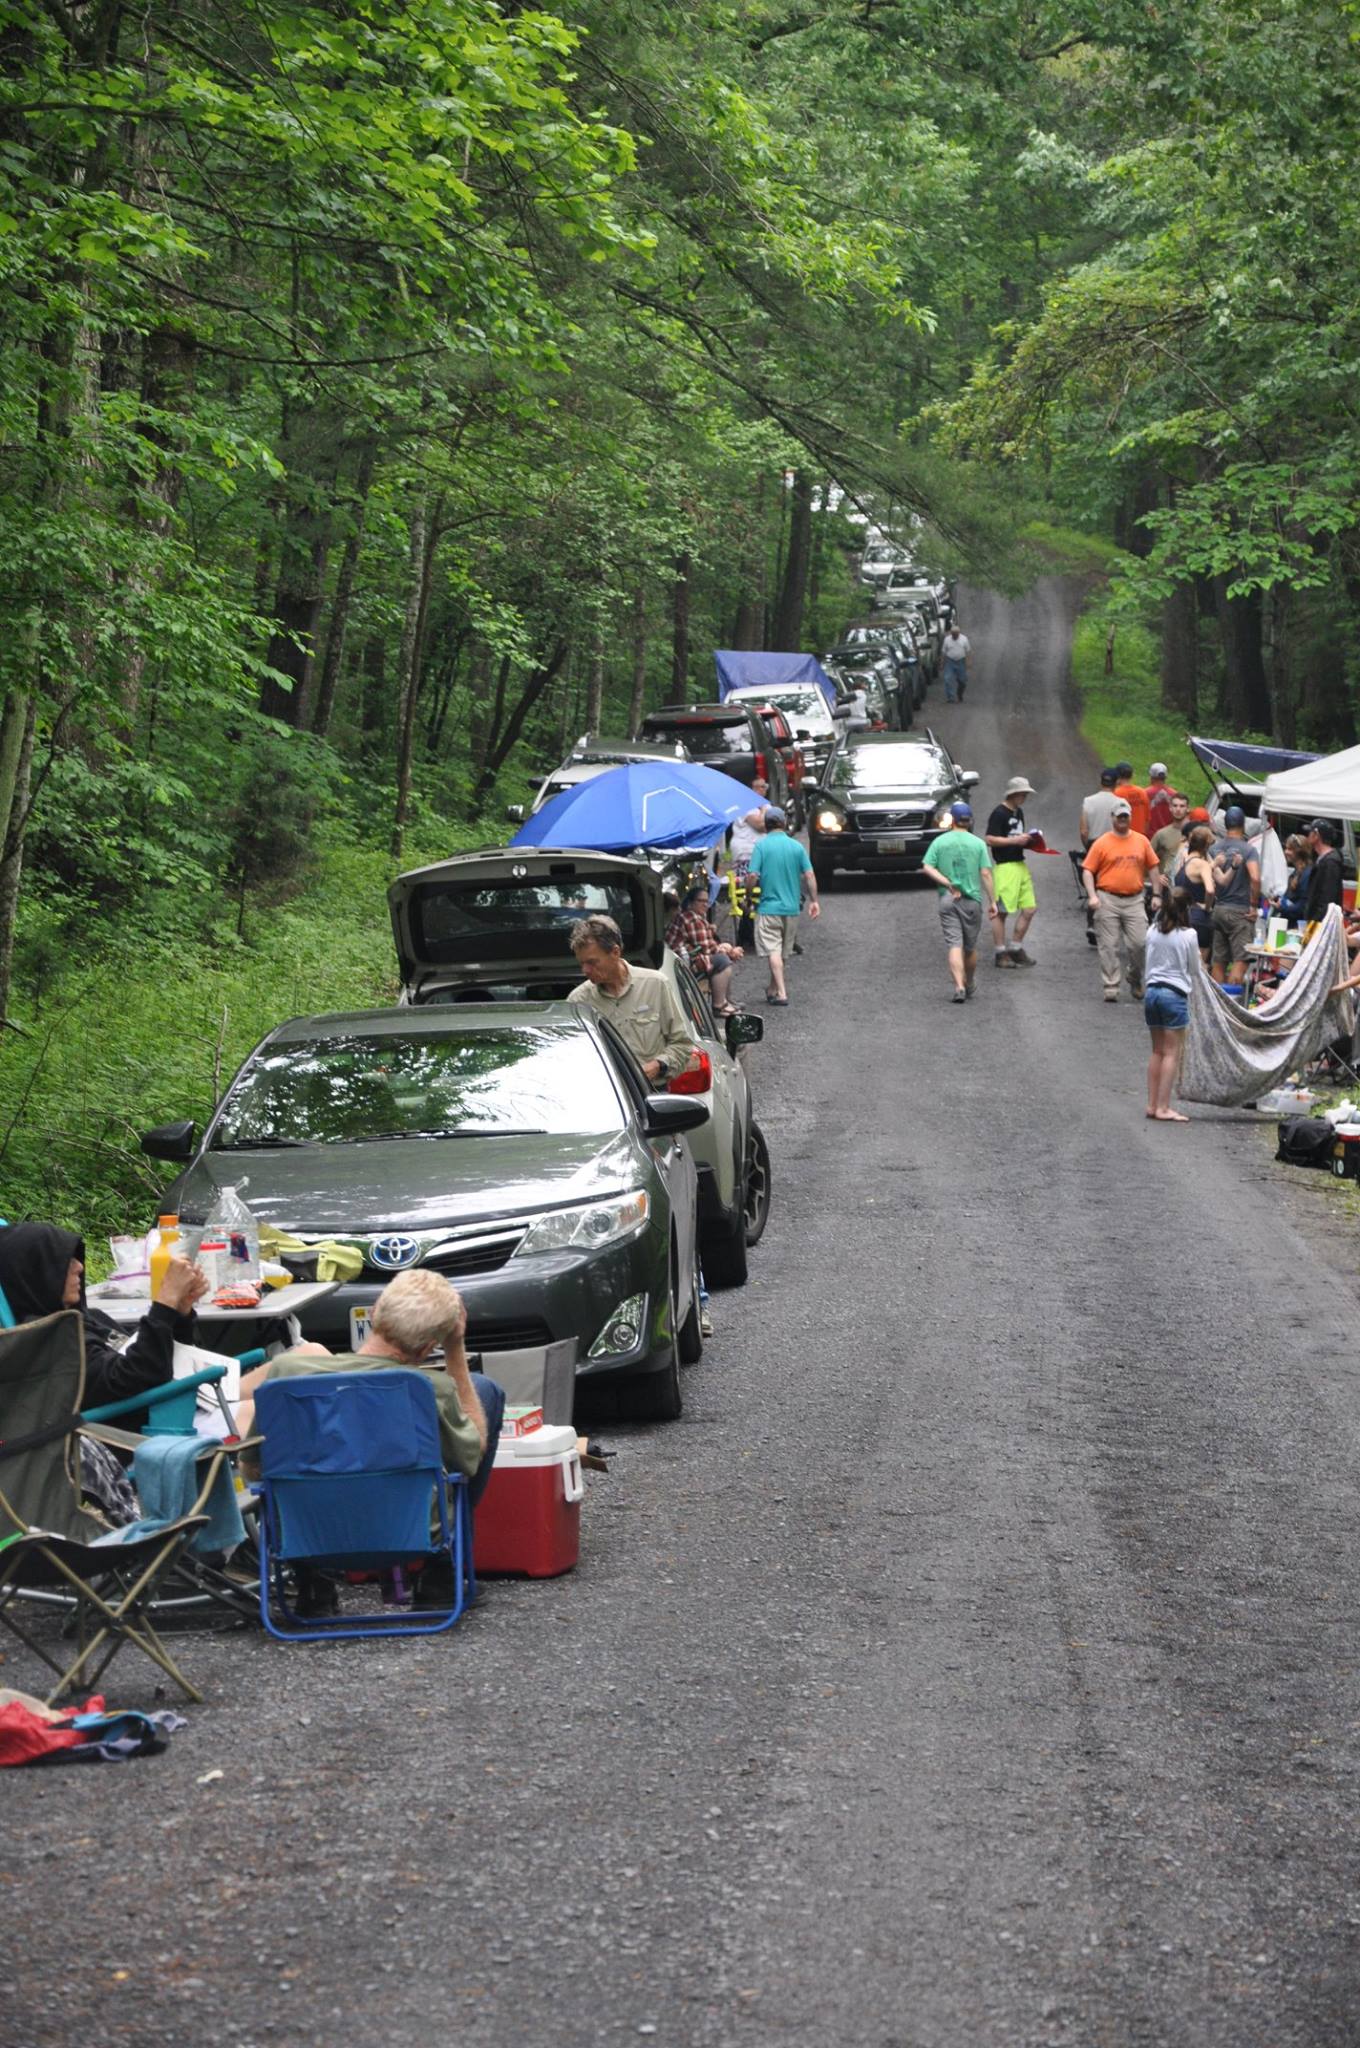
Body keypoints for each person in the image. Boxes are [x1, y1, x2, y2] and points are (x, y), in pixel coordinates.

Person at [239, 1269, 504, 1615]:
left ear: (376, 1311)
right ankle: (440, 1574)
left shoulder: (286, 1374)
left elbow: (252, 1466)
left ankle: (313, 1584)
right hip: (412, 1536)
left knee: (276, 1484)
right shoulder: (430, 1390)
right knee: (485, 1391)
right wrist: (455, 1349)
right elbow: (472, 1457)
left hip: (305, 1535)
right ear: (427, 1347)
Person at [0, 1220, 208, 1411]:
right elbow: (137, 1376)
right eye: (64, 1262)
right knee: (241, 1405)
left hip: (183, 1403)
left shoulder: (91, 1318)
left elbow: (158, 1354)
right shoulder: (50, 1342)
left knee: (242, 1388)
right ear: (37, 1274)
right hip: (150, 1430)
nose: (79, 1267)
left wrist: (179, 1312)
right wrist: (165, 1303)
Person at [567, 913, 696, 1080]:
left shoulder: (655, 985)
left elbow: (683, 1044)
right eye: (581, 963)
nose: (585, 970)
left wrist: (658, 1066)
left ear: (615, 952)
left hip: (654, 1095)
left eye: (592, 962)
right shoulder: (578, 1001)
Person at [1082, 798, 1163, 1001]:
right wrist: (1092, 896)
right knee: (1108, 945)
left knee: (1140, 943)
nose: (1122, 820)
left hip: (1135, 899)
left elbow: (1153, 868)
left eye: (1125, 817)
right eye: (1119, 817)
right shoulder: (1102, 842)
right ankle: (1111, 985)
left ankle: (1134, 978)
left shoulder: (1141, 841)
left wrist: (1156, 894)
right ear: (1112, 818)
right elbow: (1087, 870)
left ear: (1130, 818)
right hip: (1107, 898)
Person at [922, 801, 996, 1003]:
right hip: (972, 901)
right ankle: (970, 982)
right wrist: (993, 901)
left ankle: (959, 986)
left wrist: (946, 882)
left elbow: (927, 867)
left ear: (952, 820)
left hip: (948, 900)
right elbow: (986, 874)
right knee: (970, 948)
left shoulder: (940, 842)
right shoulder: (978, 843)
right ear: (969, 821)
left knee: (955, 944)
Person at [747, 805, 820, 1006]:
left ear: (766, 825)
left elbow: (752, 875)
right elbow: (809, 875)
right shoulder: (796, 847)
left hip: (769, 908)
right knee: (782, 952)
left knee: (773, 951)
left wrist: (747, 894)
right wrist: (814, 901)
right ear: (784, 823)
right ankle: (772, 988)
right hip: (791, 909)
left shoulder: (761, 847)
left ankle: (781, 992)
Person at [1142, 891, 1200, 1123]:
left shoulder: (1152, 931)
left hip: (1152, 992)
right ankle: (1164, 1107)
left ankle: (1152, 1103)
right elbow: (1194, 969)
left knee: (1157, 1051)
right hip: (1174, 994)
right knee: (1171, 1053)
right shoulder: (1189, 935)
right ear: (1186, 910)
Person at [666, 879, 743, 1016]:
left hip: (683, 958)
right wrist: (730, 951)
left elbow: (707, 944)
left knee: (723, 958)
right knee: (722, 961)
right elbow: (708, 948)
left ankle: (727, 1000)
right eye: (701, 901)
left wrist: (726, 948)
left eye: (707, 901)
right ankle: (719, 1005)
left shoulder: (692, 916)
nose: (706, 905)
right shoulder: (691, 918)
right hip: (683, 964)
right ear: (691, 902)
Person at [985, 775, 1039, 968]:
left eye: (1025, 794)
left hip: (1020, 863)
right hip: (1005, 866)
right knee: (1002, 912)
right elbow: (990, 839)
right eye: (1022, 794)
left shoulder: (1019, 812)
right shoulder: (999, 813)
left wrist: (1030, 842)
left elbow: (1017, 836)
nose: (1025, 797)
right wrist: (1014, 841)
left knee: (1030, 908)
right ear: (1013, 794)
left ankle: (1015, 947)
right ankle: (1000, 953)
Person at [1209, 804, 1260, 984]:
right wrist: (1254, 905)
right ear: (1243, 825)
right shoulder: (1248, 850)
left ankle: (1216, 1003)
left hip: (1219, 908)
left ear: (1225, 824)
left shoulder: (1214, 848)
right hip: (1240, 912)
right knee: (1240, 960)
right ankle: (1232, 1003)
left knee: (1219, 961)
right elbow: (1255, 877)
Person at [1175, 823, 1217, 962]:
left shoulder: (1183, 861)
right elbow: (1210, 890)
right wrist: (1207, 906)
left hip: (1180, 916)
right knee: (1199, 968)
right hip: (1199, 919)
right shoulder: (1202, 864)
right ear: (1206, 846)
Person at [1305, 819, 1345, 922]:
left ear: (1316, 835)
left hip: (1321, 925)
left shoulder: (1331, 863)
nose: (1307, 835)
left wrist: (1315, 923)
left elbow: (1327, 900)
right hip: (1317, 923)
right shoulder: (1323, 860)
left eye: (1310, 832)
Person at [1150, 791, 1190, 879]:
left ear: (1188, 809)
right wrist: (1158, 876)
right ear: (1170, 808)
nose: (1178, 809)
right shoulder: (1161, 834)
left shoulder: (1196, 832)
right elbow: (1148, 859)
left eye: (1182, 806)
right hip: (1167, 884)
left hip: (1190, 882)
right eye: (1175, 806)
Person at [1080, 767, 1120, 848]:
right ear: (1116, 783)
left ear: (1101, 782)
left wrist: (1088, 849)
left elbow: (1083, 831)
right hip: (1113, 847)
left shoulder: (1088, 801)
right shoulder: (1121, 803)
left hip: (1094, 845)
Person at [1278, 833, 1313, 922]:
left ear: (1299, 852)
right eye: (1286, 848)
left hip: (1297, 925)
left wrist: (1282, 907)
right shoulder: (1295, 872)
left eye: (1289, 849)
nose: (1286, 852)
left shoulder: (1307, 874)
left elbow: (1303, 905)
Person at [1113, 763, 1150, 837]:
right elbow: (1147, 819)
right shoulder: (1142, 792)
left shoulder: (1116, 793)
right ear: (1132, 776)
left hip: (1123, 836)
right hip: (1140, 836)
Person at [940, 623, 970, 704]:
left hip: (961, 661)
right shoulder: (947, 640)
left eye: (956, 634)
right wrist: (942, 663)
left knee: (963, 681)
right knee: (947, 679)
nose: (954, 636)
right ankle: (950, 697)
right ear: (951, 633)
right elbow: (944, 652)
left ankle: (959, 694)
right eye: (953, 634)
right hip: (950, 661)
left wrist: (968, 662)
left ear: (959, 633)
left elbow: (967, 651)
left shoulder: (964, 639)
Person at [1146, 764, 1174, 836]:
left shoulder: (1145, 793)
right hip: (1168, 835)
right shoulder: (1174, 794)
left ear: (1151, 777)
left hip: (1149, 835)